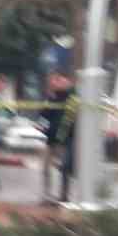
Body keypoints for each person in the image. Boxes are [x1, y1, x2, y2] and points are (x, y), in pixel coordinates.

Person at [40, 72, 76, 203]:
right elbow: (44, 116)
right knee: (45, 167)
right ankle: (47, 194)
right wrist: (42, 126)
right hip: (51, 138)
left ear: (67, 80)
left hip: (67, 139)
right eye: (52, 81)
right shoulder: (52, 97)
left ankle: (64, 195)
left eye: (58, 80)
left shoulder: (73, 96)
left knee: (64, 167)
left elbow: (72, 119)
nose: (54, 83)